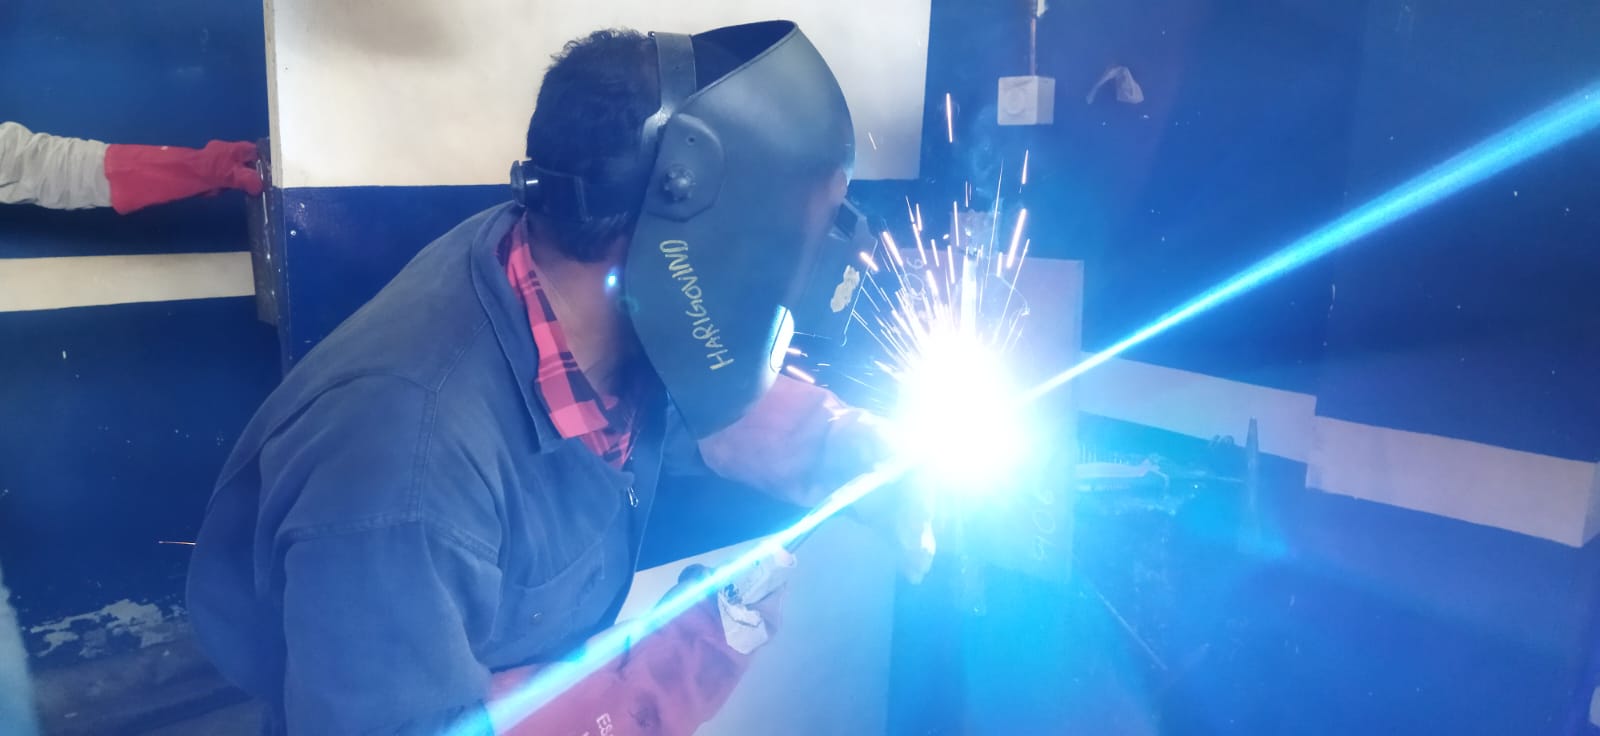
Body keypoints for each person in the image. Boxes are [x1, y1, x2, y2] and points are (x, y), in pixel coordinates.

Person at [186, 21, 921, 735]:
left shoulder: (552, 263)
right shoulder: (406, 483)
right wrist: (676, 670)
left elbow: (691, 389)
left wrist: (838, 446)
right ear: (681, 235)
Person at [0, 121, 262, 212]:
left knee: (69, 170)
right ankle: (216, 167)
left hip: (84, 170)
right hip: (79, 175)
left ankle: (217, 166)